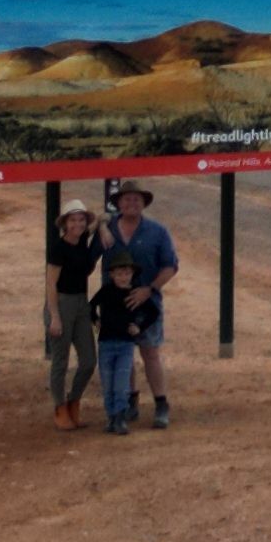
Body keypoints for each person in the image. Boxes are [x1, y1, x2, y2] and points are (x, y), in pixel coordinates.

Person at [99, 179, 182, 429]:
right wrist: (101, 223)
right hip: (115, 306)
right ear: (118, 204)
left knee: (150, 353)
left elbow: (170, 265)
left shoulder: (157, 231)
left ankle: (161, 403)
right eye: (126, 199)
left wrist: (150, 289)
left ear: (143, 203)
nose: (131, 203)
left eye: (136, 199)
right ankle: (129, 402)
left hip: (147, 304)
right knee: (123, 353)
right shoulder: (108, 229)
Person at [45, 202, 103, 428]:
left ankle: (73, 401)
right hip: (62, 302)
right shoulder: (59, 248)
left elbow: (98, 221)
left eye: (81, 219)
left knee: (88, 360)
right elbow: (51, 283)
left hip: (81, 302)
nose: (77, 224)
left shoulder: (82, 239)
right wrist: (54, 316)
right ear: (65, 224)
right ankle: (60, 408)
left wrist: (103, 222)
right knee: (60, 360)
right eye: (72, 220)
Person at [91, 258, 155, 435]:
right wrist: (96, 320)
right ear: (112, 275)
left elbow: (153, 312)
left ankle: (119, 416)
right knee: (107, 382)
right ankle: (111, 417)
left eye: (126, 273)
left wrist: (139, 327)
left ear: (132, 274)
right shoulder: (106, 291)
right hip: (106, 342)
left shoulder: (134, 293)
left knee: (121, 382)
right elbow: (91, 305)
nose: (123, 277)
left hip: (125, 343)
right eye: (119, 274)